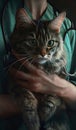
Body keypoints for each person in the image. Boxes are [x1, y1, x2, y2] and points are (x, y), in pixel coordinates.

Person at [0, 0, 76, 130]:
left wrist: (63, 89)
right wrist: (28, 103)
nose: (42, 53)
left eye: (50, 44)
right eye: (33, 42)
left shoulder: (68, 27)